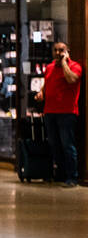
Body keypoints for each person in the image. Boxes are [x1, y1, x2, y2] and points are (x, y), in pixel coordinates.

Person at [36, 41, 82, 187]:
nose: (57, 53)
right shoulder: (49, 67)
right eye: (55, 50)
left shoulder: (74, 66)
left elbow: (71, 79)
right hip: (50, 111)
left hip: (67, 112)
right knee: (54, 145)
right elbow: (47, 83)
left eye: (61, 50)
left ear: (67, 51)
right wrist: (41, 92)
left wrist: (64, 63)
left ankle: (72, 177)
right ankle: (60, 174)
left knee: (67, 145)